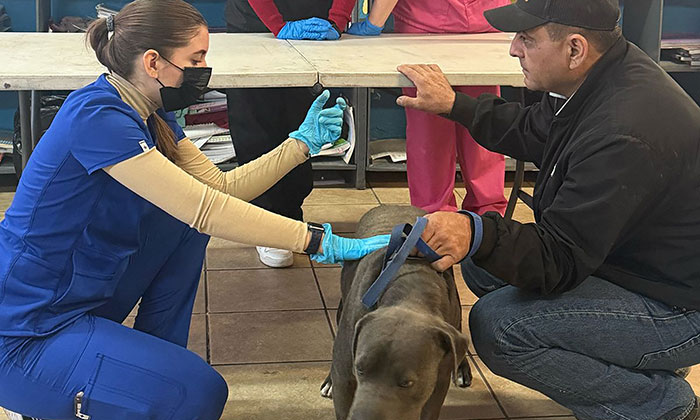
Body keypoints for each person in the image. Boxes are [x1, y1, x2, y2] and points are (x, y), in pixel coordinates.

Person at [0, 1, 389, 419]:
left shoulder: (151, 112)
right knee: (197, 394)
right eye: (196, 58)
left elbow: (220, 187)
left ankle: (145, 368)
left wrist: (300, 144)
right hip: (24, 332)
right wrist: (317, 240)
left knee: (181, 228)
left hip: (73, 299)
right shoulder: (96, 116)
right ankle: (63, 396)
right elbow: (206, 208)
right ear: (153, 62)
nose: (204, 69)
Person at [396, 0, 700, 419]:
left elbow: (559, 259)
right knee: (483, 264)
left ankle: (657, 404)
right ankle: (637, 361)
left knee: (499, 328)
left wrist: (475, 232)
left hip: (680, 306)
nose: (513, 49)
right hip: (636, 264)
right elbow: (534, 131)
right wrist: (455, 105)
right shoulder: (596, 80)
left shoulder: (623, 130)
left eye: (527, 38)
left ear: (574, 49)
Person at [225, 0, 357, 268]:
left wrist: (337, 20)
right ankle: (263, 225)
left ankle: (290, 217)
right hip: (255, 25)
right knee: (257, 128)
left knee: (302, 125)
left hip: (315, 25)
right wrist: (277, 24)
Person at [348, 0, 509, 215]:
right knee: (482, 122)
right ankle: (490, 218)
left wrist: (374, 22)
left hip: (425, 26)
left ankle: (436, 221)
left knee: (430, 137)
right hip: (485, 22)